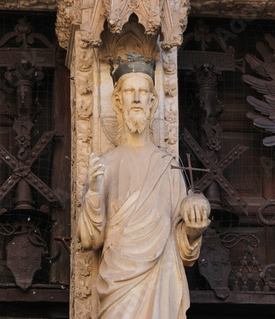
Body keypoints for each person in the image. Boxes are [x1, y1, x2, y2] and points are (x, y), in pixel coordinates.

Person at [78, 55, 210, 319]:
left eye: (143, 92)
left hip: (161, 274)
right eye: (129, 91)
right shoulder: (105, 165)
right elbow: (90, 239)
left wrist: (194, 230)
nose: (136, 98)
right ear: (118, 100)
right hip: (118, 279)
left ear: (152, 101)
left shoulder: (167, 165)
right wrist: (93, 192)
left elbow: (183, 244)